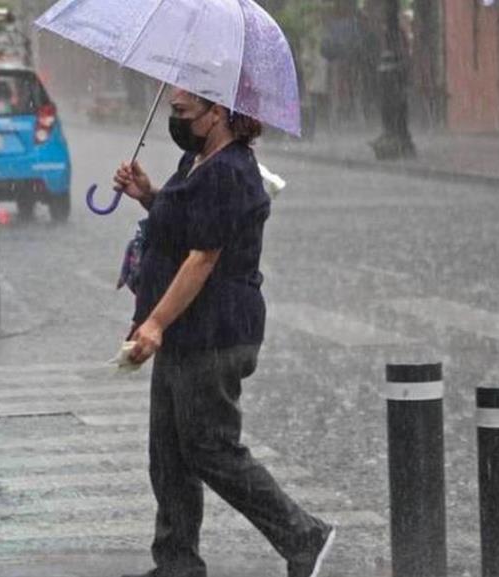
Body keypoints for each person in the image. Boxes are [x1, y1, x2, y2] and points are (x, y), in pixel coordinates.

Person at [112, 89, 336, 577]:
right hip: (186, 330)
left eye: (184, 112)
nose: (176, 120)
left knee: (211, 447)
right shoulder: (197, 160)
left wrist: (154, 323)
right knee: (168, 451)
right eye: (172, 110)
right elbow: (180, 226)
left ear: (218, 115)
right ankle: (176, 561)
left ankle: (303, 535)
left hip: (214, 331)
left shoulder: (229, 173)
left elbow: (202, 257)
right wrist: (149, 195)